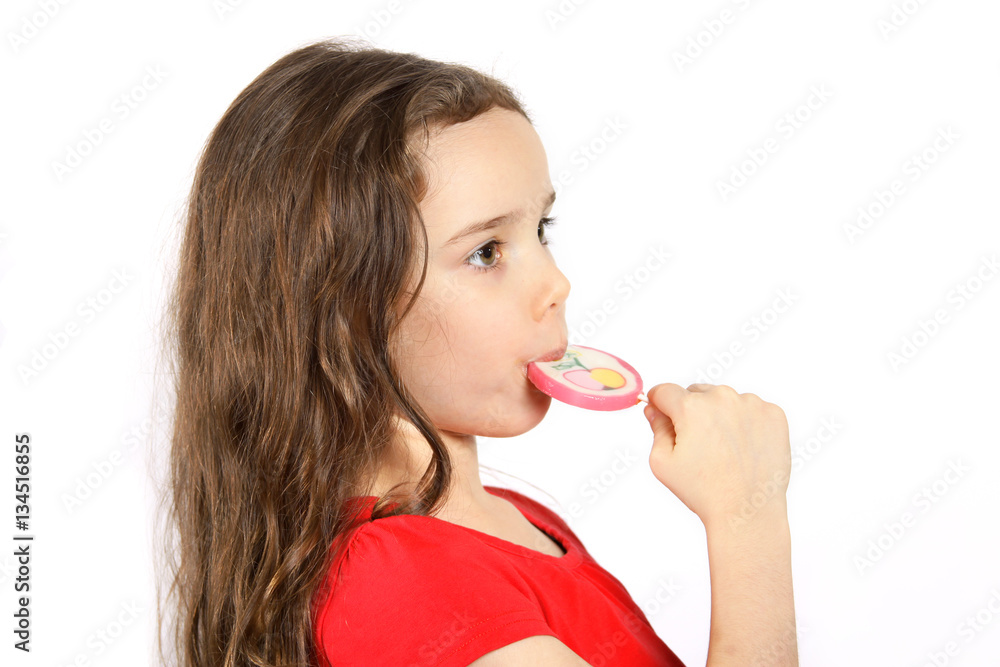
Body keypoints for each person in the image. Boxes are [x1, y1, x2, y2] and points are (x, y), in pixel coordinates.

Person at [156, 37, 797, 667]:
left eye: (541, 229)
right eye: (486, 252)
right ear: (345, 316)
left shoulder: (526, 524)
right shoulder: (400, 582)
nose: (556, 283)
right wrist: (749, 519)